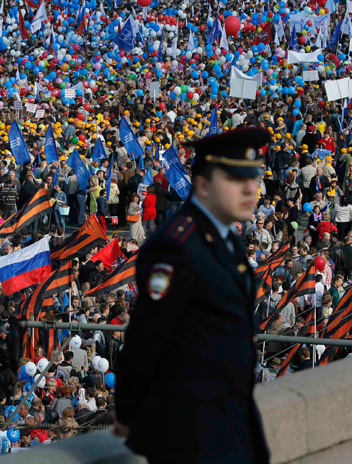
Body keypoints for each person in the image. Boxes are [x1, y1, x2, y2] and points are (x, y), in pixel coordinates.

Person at [116, 127, 271, 463]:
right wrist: (128, 412)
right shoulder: (176, 247)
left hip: (232, 421)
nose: (250, 189)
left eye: (254, 178)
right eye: (235, 179)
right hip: (190, 433)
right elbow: (147, 337)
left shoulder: (226, 239)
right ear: (202, 185)